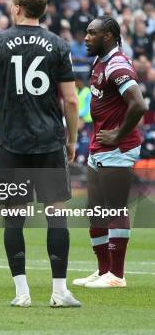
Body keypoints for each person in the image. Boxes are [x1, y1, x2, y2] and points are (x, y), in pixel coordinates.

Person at [0, 0, 80, 307]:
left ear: (18, 7)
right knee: (56, 214)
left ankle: (22, 292)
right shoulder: (58, 44)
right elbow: (72, 101)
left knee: (14, 217)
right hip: (48, 141)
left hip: (13, 142)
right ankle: (59, 291)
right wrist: (72, 140)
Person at [72, 17, 147, 289]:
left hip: (118, 147)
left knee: (114, 208)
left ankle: (117, 275)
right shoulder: (100, 61)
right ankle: (103, 270)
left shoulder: (117, 65)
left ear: (108, 36)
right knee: (95, 210)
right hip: (99, 145)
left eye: (92, 33)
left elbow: (138, 104)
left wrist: (118, 134)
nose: (86, 37)